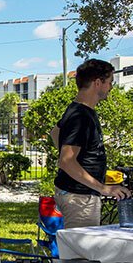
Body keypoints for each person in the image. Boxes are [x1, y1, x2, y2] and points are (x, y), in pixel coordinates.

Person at [50, 59, 131, 228]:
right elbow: (65, 161)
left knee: (77, 252)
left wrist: (76, 162)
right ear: (97, 83)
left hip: (77, 195)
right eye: (109, 83)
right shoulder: (82, 117)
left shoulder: (76, 110)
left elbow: (55, 132)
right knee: (81, 254)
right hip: (80, 198)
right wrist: (103, 188)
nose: (110, 88)